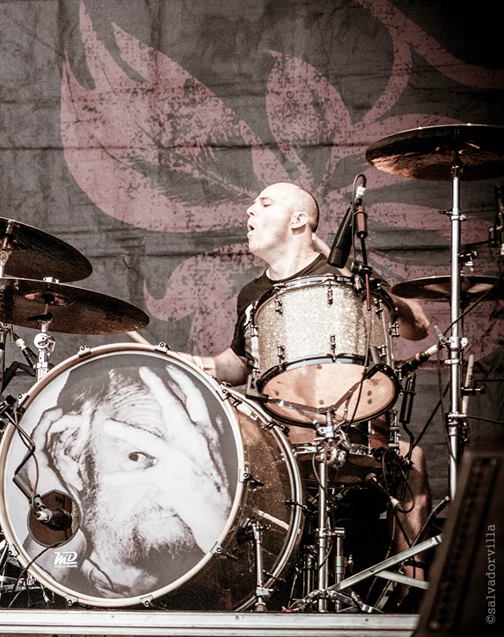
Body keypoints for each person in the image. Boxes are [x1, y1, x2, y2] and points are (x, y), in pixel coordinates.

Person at [175, 182, 432, 602]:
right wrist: (186, 363)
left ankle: (413, 596)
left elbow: (417, 327)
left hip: (348, 426)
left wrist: (370, 285)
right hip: (279, 433)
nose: (249, 211)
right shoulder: (252, 294)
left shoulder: (344, 276)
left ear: (299, 220)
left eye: (264, 203)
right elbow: (238, 364)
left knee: (411, 459)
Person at [19, 356, 233, 599]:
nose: (170, 497)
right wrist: (59, 536)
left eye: (193, 466)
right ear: (71, 458)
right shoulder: (0, 583)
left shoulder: (218, 591)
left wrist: (219, 532)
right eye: (138, 456)